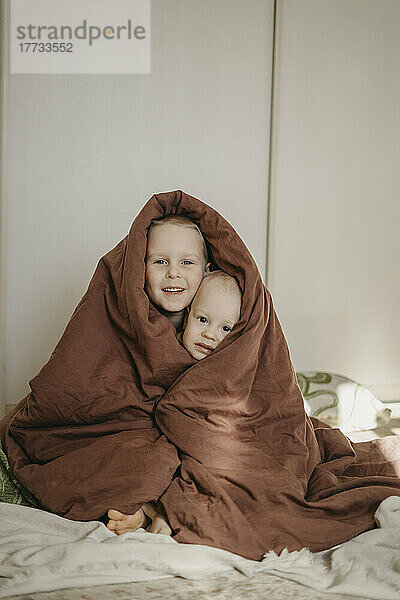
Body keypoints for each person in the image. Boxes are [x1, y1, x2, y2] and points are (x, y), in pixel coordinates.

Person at [107, 270, 242, 535]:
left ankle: (164, 512)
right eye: (202, 319)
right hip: (157, 435)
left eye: (225, 328)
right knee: (145, 455)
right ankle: (148, 510)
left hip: (199, 441)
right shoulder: (167, 352)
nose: (210, 334)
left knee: (212, 468)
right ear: (188, 315)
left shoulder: (229, 369)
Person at [107, 213, 212, 536]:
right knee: (138, 456)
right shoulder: (125, 316)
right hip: (141, 426)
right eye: (160, 262)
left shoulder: (218, 315)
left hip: (195, 427)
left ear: (207, 271)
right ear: (140, 268)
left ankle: (159, 510)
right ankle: (149, 508)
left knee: (212, 457)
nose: (173, 274)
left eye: (187, 263)